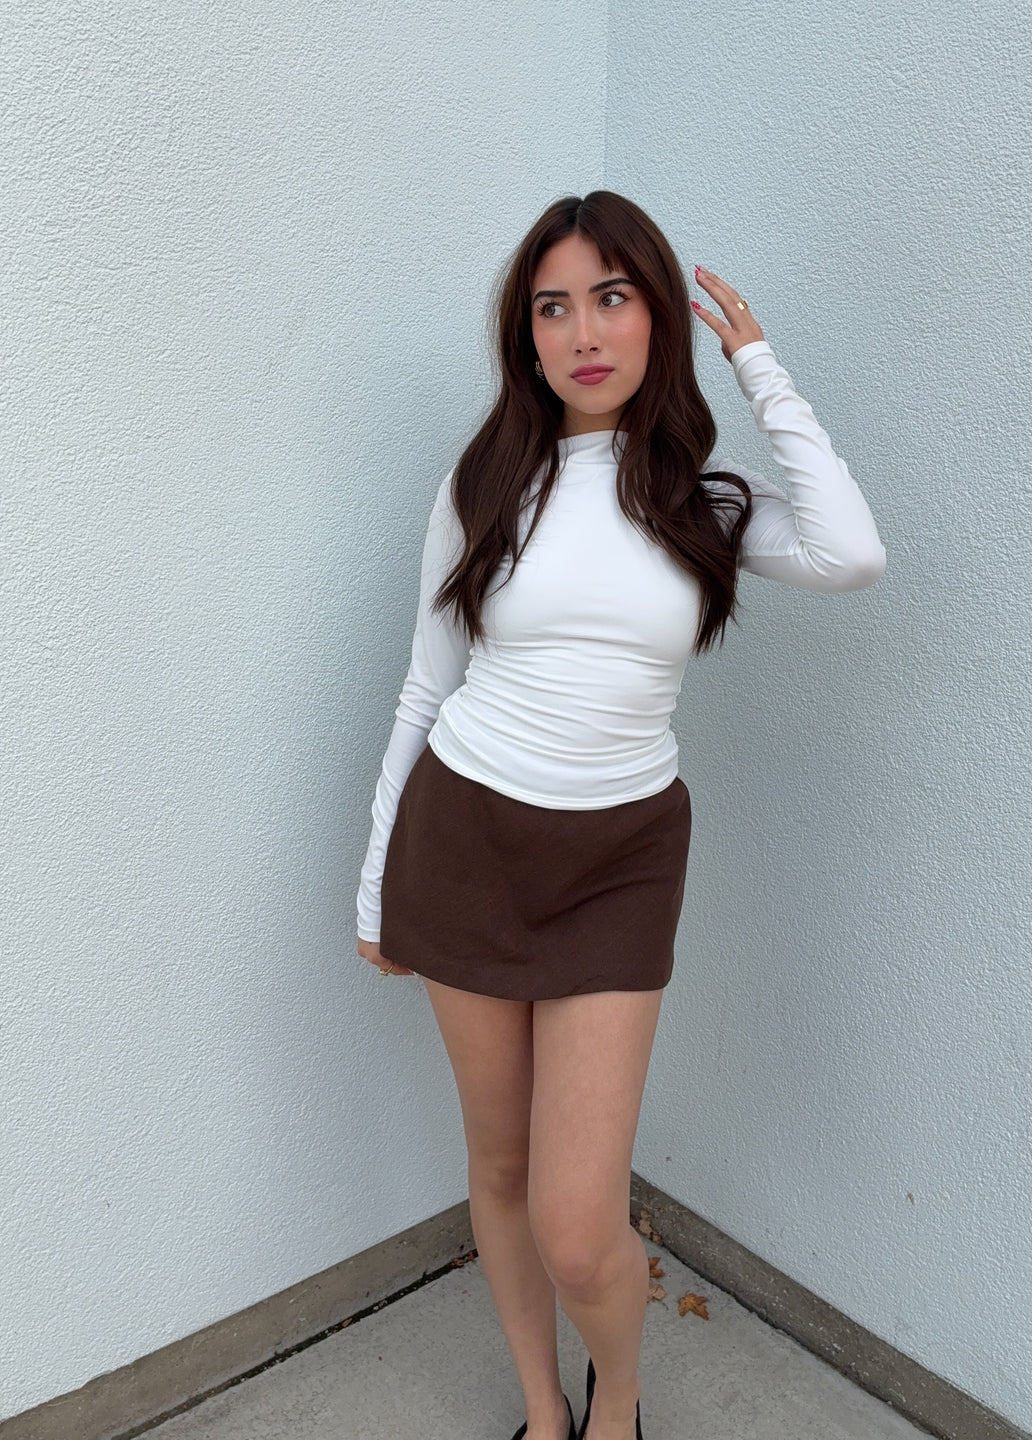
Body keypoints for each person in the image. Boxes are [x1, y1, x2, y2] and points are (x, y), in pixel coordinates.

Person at [354, 190, 886, 1440]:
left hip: (620, 863)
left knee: (579, 1219)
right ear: (525, 337)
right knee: (498, 1168)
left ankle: (621, 1400)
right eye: (554, 306)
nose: (584, 330)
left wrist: (760, 365)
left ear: (655, 318)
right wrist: (375, 878)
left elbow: (853, 553)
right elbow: (426, 685)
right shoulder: (485, 480)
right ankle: (546, 1412)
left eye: (613, 297)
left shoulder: (699, 502)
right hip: (463, 840)